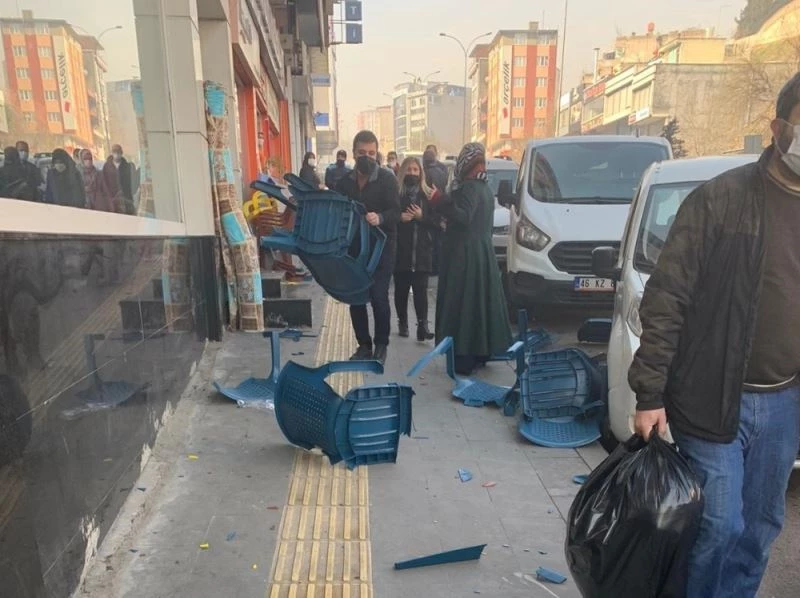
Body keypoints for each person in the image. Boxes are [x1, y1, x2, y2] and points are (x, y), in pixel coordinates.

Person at [629, 73, 800, 598]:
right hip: (710, 393)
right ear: (779, 128)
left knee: (760, 529)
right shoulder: (720, 201)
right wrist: (650, 392)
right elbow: (667, 296)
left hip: (783, 402)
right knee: (720, 524)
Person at [430, 142, 510, 375]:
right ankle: (479, 353)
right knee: (479, 304)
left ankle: (463, 356)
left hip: (464, 257)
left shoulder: (470, 188)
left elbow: (463, 217)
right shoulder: (484, 188)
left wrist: (439, 200)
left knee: (463, 305)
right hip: (481, 253)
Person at [336, 130, 401, 364]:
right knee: (356, 295)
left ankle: (381, 344)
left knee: (378, 295)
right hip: (354, 248)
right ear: (354, 153)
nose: (367, 157)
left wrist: (380, 218)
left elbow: (396, 211)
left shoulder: (387, 179)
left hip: (382, 246)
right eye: (362, 153)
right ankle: (363, 344)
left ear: (377, 153)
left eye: (372, 153)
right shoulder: (343, 183)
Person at [394, 156, 438, 341]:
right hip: (400, 250)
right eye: (409, 170)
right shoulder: (396, 193)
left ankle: (423, 326)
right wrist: (399, 217)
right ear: (403, 172)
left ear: (421, 173)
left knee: (421, 290)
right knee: (401, 289)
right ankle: (402, 322)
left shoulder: (428, 195)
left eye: (415, 170)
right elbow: (387, 216)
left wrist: (422, 217)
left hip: (422, 251)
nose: (412, 173)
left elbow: (438, 222)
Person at [102, 144, 134, 214]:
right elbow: (104, 182)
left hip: (126, 198)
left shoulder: (126, 166)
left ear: (121, 153)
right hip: (113, 198)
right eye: (115, 152)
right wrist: (109, 197)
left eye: (118, 152)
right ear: (112, 153)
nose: (116, 154)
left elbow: (131, 183)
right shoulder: (107, 166)